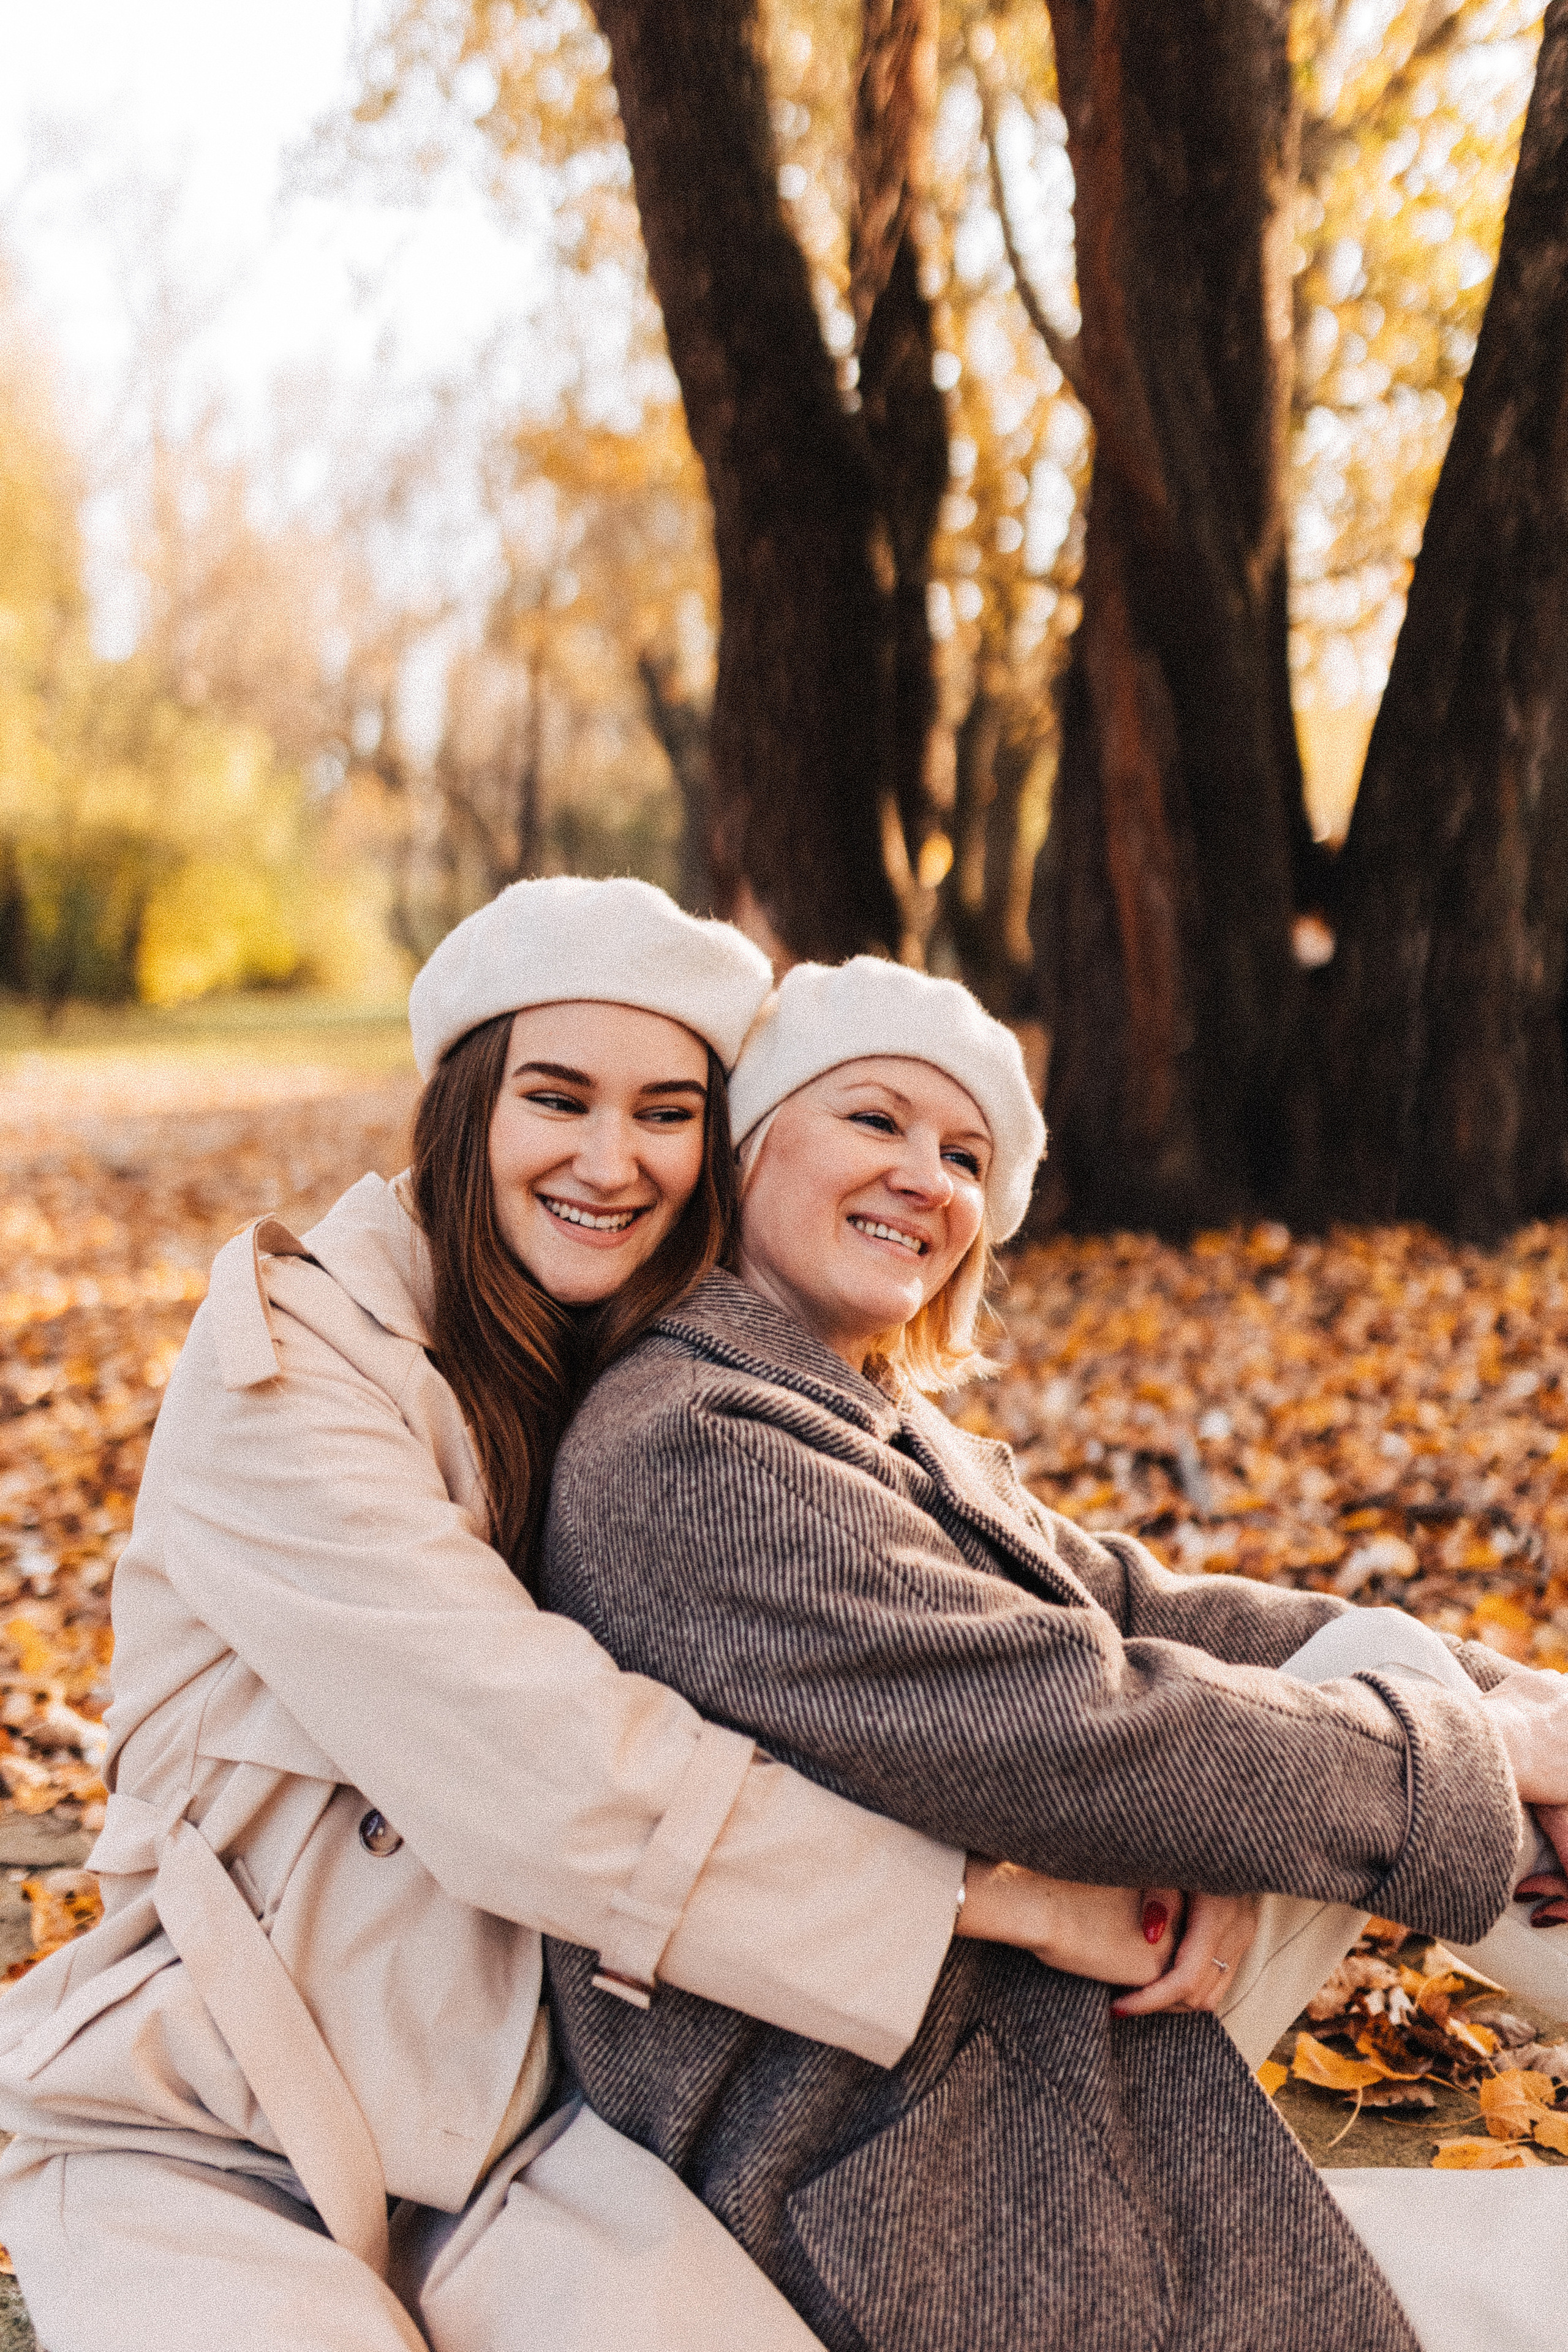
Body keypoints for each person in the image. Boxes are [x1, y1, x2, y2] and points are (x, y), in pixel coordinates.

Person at [0, 878, 1177, 2352]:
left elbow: (1051, 1593)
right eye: (558, 1099)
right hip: (201, 2122)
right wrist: (984, 1895)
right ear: (468, 1110)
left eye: (666, 1112)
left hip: (512, 2138)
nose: (612, 1162)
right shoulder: (284, 1373)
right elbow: (535, 1758)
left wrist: (1451, 1725)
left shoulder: (658, 1399)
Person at [541, 954, 1568, 2352]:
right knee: (1538, 2276)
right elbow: (1051, 1727)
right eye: (874, 1121)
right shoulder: (687, 1448)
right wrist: (1465, 1751)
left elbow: (1136, 1607)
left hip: (1016, 2031)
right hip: (898, 2169)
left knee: (1381, 1654)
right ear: (746, 1147)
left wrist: (1513, 1706)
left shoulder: (838, 1409)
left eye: (964, 1153)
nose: (927, 1177)